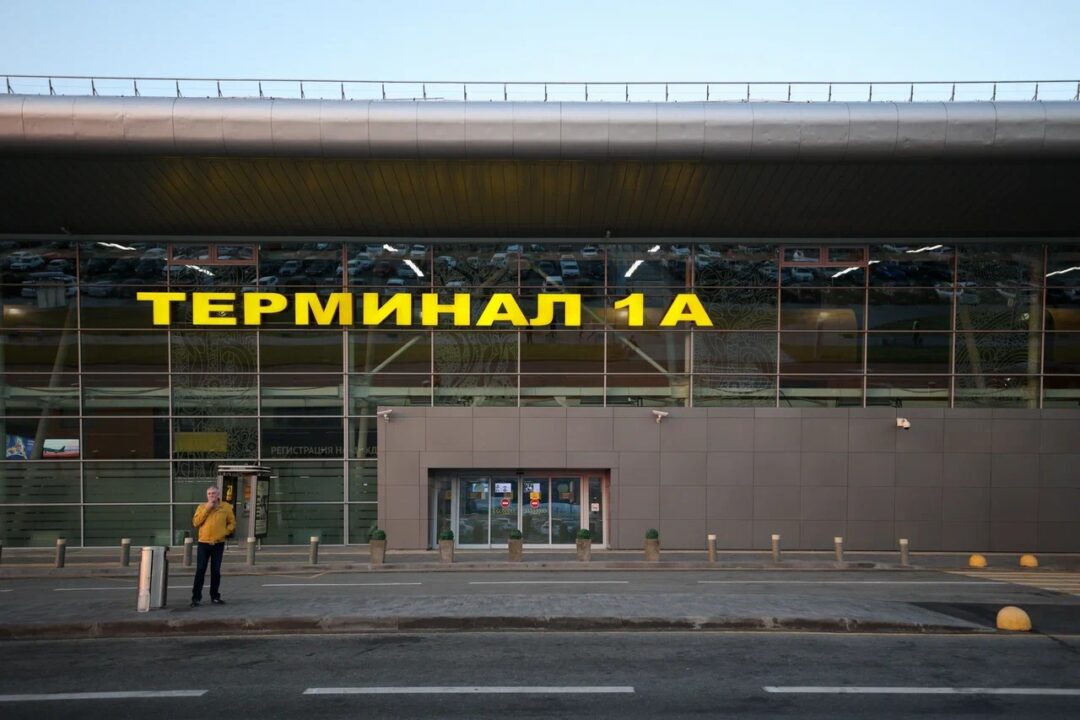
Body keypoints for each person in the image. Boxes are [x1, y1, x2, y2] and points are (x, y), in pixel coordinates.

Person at [190, 485, 235, 608]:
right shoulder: (201, 507)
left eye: (213, 493)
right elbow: (196, 522)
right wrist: (207, 509)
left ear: (218, 495)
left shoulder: (225, 507)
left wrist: (225, 532)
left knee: (215, 571)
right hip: (203, 543)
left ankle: (215, 596)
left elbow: (232, 523)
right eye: (209, 494)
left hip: (218, 544)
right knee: (200, 570)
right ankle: (196, 598)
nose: (211, 496)